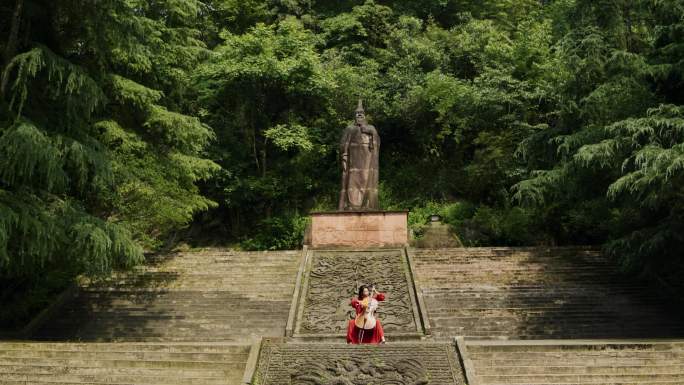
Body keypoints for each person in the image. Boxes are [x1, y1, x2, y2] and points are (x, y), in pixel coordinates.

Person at [338, 99, 380, 211]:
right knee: (352, 181)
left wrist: (370, 132)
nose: (359, 115)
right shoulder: (349, 129)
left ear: (365, 116)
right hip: (353, 162)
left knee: (366, 179)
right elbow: (343, 144)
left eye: (361, 114)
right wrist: (345, 155)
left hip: (367, 160)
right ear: (355, 116)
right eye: (357, 114)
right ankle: (351, 204)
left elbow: (377, 142)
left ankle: (366, 204)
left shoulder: (371, 128)